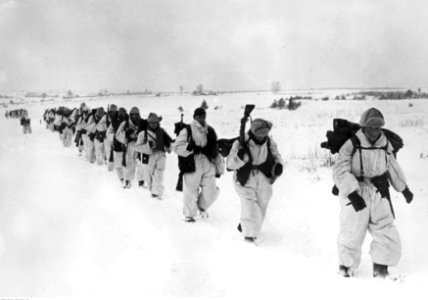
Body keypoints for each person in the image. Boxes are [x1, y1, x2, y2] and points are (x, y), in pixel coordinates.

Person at [333, 108, 414, 278]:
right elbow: (340, 169)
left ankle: (381, 267)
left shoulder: (385, 143)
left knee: (386, 228)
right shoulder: (352, 143)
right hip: (356, 189)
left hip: (378, 190)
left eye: (378, 127)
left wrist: (403, 188)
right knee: (352, 230)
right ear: (363, 127)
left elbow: (392, 165)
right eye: (371, 127)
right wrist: (352, 194)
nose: (375, 131)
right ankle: (346, 268)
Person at [226, 118, 283, 242]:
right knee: (250, 206)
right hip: (244, 178)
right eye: (261, 135)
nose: (263, 137)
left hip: (263, 177)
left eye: (265, 134)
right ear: (254, 132)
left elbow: (276, 155)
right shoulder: (240, 142)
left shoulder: (268, 141)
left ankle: (246, 224)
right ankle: (249, 237)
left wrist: (278, 166)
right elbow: (229, 165)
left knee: (261, 206)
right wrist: (238, 157)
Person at [173, 107, 224, 222]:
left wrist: (219, 166)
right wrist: (188, 149)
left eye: (203, 116)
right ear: (194, 117)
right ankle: (189, 214)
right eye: (199, 116)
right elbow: (176, 147)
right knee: (190, 190)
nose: (201, 118)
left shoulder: (210, 130)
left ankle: (201, 206)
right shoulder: (187, 130)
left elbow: (215, 149)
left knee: (211, 190)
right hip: (192, 161)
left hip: (208, 161)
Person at [135, 113, 173, 198]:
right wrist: (148, 146)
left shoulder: (162, 131)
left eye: (155, 122)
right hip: (149, 156)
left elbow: (170, 145)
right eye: (152, 122)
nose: (154, 124)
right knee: (149, 178)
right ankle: (153, 190)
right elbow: (137, 147)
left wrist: (168, 146)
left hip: (161, 154)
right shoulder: (143, 134)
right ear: (148, 122)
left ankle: (156, 192)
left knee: (159, 173)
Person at [115, 107, 147, 188]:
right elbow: (118, 135)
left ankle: (141, 181)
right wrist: (127, 135)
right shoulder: (125, 124)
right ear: (130, 115)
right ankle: (128, 180)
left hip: (140, 144)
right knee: (129, 163)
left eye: (136, 115)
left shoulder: (143, 123)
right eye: (133, 115)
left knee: (141, 163)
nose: (135, 116)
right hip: (130, 145)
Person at [107, 107, 128, 183]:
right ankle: (122, 178)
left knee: (127, 163)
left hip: (126, 145)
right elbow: (109, 132)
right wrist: (114, 138)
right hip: (117, 145)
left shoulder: (129, 121)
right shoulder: (114, 121)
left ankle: (127, 178)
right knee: (118, 164)